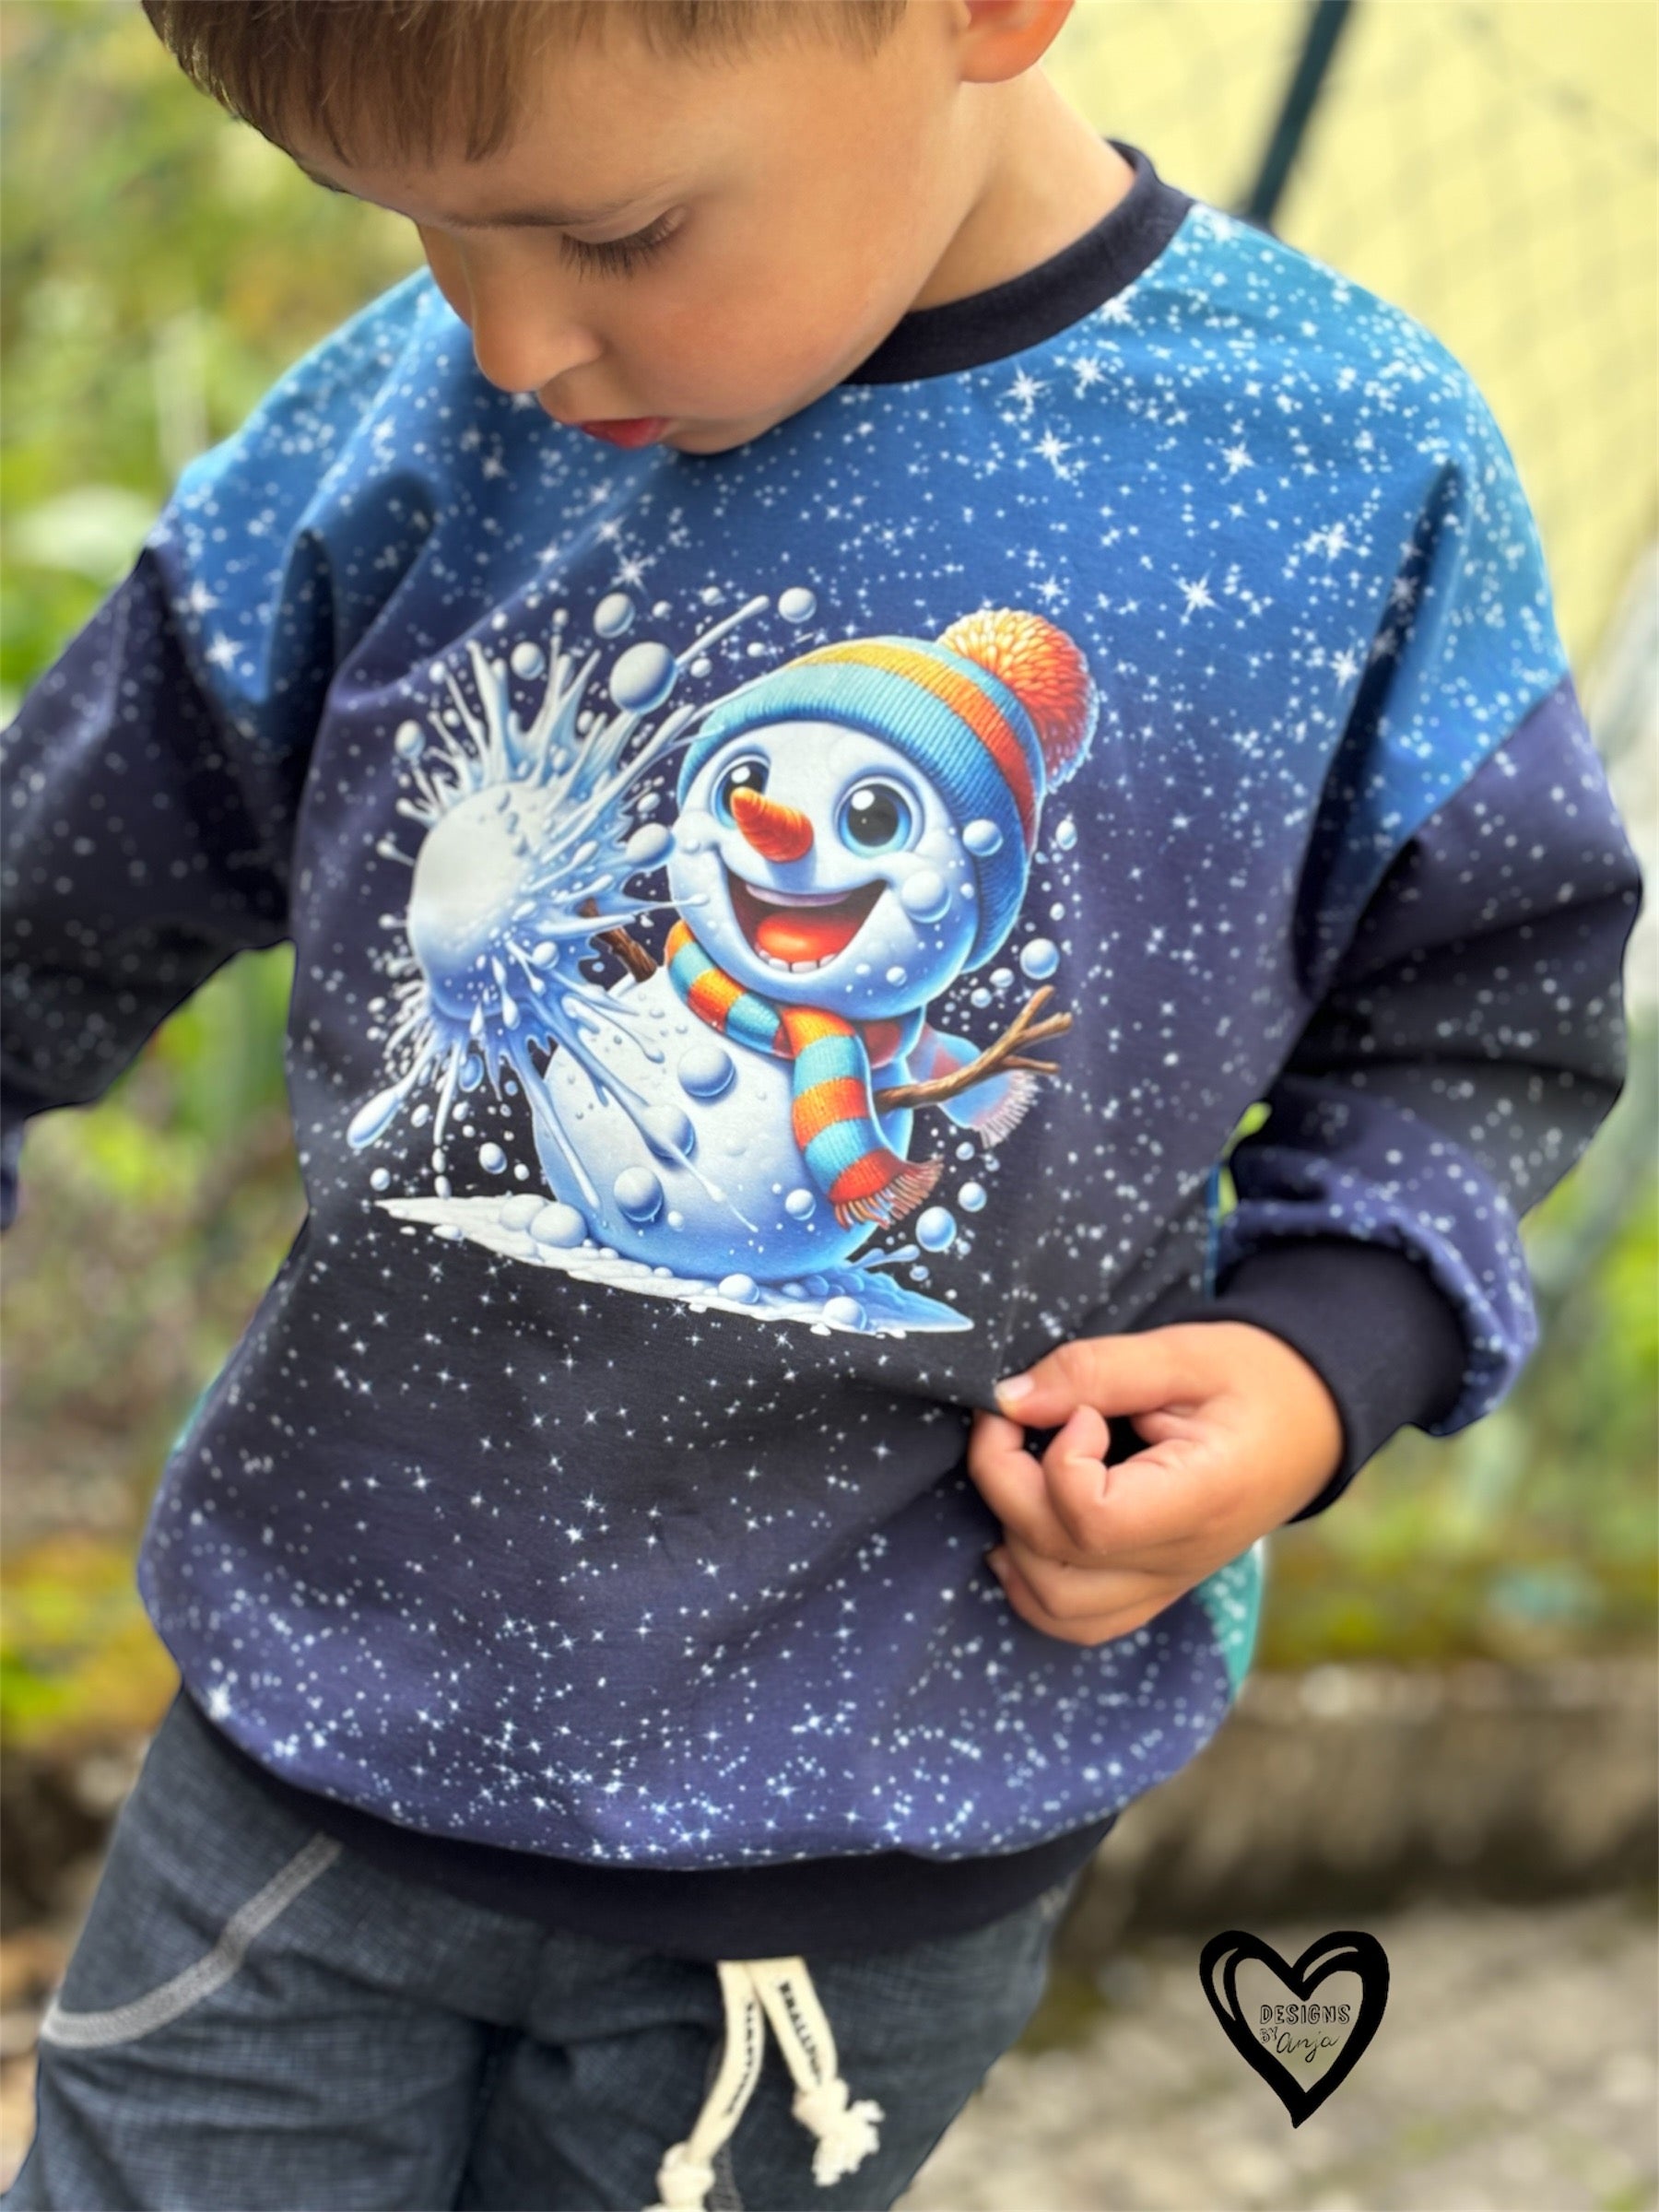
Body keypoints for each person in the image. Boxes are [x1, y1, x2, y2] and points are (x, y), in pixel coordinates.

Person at [0, 1, 1642, 2206]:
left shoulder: (1346, 484)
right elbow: (48, 897)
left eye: (616, 232)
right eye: (413, 223)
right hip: (304, 1781)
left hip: (869, 1875)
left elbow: (1483, 1022)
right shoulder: (408, 430)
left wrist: (1321, 1355)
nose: (506, 345)